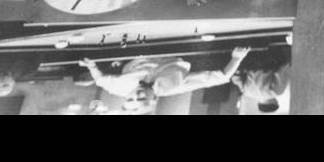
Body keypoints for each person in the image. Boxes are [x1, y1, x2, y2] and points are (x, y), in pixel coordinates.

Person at [79, 48, 251, 114]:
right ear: (153, 100)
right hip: (172, 44)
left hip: (138, 45)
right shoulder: (174, 86)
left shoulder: (118, 89)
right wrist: (237, 58)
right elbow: (219, 78)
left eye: (131, 99)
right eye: (141, 99)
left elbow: (100, 80)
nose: (136, 95)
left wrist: (92, 66)